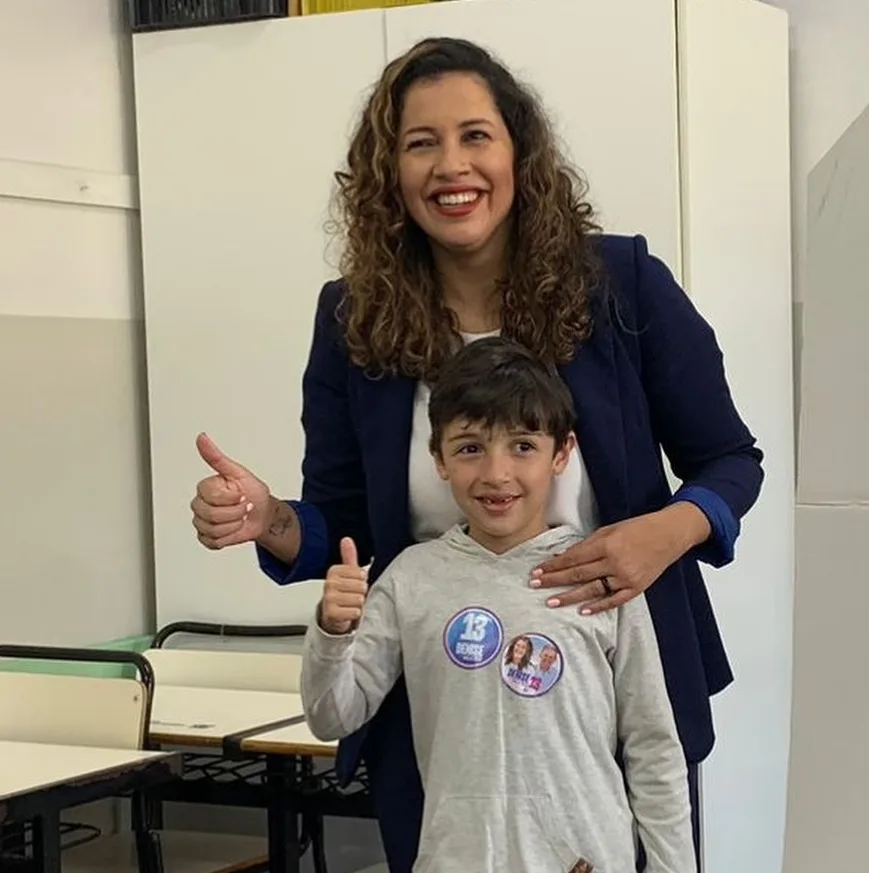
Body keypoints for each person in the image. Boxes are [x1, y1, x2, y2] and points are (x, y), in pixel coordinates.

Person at [187, 35, 762, 873]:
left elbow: (730, 460)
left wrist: (662, 533)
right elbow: (344, 523)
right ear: (390, 174)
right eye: (421, 143)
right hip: (444, 714)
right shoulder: (353, 317)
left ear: (518, 153)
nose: (451, 166)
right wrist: (267, 519)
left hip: (609, 694)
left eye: (474, 136)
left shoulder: (622, 283)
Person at [303, 336, 694, 873]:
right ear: (437, 459)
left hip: (588, 860)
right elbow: (331, 716)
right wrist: (332, 631)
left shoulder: (601, 574)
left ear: (562, 453)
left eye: (523, 446)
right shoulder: (411, 579)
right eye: (469, 447)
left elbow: (653, 746)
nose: (496, 474)